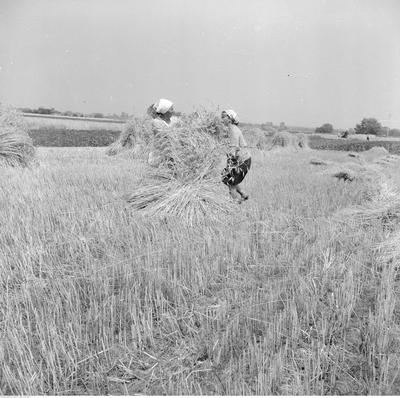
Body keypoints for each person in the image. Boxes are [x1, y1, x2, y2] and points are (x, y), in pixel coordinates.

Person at [221, 109, 251, 203]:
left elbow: (233, 149)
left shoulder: (233, 130)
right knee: (226, 177)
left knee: (230, 181)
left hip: (242, 161)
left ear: (230, 119)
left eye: (223, 117)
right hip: (243, 159)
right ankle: (243, 194)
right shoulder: (231, 129)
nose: (221, 119)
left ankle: (236, 202)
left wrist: (229, 165)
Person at [147, 98, 177, 167]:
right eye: (171, 109)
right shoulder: (156, 122)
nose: (173, 111)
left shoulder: (173, 120)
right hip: (159, 157)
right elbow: (165, 136)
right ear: (165, 111)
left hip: (172, 156)